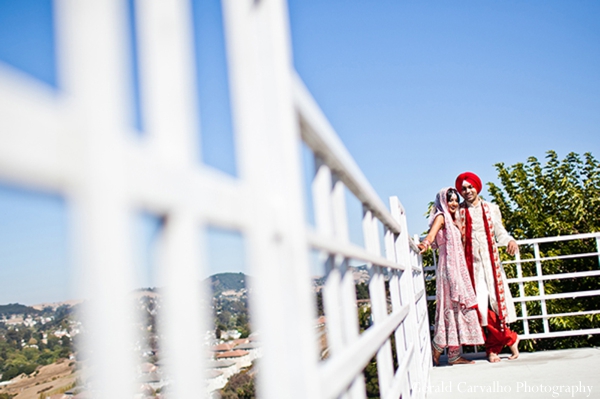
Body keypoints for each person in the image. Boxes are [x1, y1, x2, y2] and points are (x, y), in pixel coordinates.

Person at [455, 172, 520, 363]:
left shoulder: (492, 208)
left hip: (491, 264)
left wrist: (509, 240)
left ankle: (494, 348)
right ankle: (509, 339)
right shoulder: (458, 212)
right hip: (471, 266)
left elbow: (500, 231)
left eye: (470, 187)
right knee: (481, 308)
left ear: (477, 187)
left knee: (497, 305)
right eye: (463, 189)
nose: (467, 191)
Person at [419, 187, 484, 366]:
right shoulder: (441, 217)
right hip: (448, 270)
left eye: (456, 200)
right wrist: (425, 244)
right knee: (449, 307)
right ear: (443, 202)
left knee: (456, 308)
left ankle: (453, 354)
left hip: (457, 268)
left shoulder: (453, 219)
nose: (454, 203)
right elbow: (431, 236)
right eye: (450, 200)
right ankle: (437, 347)